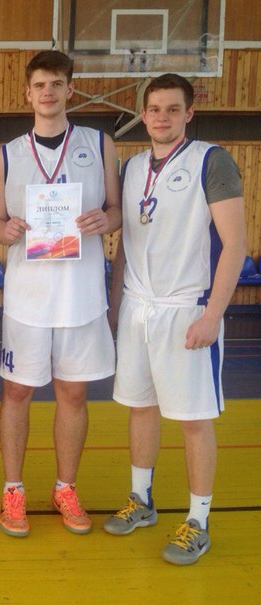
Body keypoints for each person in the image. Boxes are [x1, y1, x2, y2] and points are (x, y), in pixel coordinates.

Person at [104, 73, 246, 565]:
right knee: (140, 408)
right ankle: (141, 500)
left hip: (188, 309)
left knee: (192, 420)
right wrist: (115, 305)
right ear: (143, 115)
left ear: (189, 113)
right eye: (154, 109)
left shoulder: (211, 160)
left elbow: (236, 244)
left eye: (172, 109)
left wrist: (213, 315)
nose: (161, 117)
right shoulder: (131, 168)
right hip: (137, 307)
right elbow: (126, 243)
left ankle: (198, 521)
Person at [0, 50, 121, 537]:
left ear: (70, 89)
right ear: (28, 93)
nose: (48, 92)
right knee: (17, 391)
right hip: (27, 297)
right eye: (40, 85)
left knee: (73, 392)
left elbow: (116, 210)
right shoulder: (7, 153)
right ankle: (13, 490)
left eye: (57, 84)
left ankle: (65, 487)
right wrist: (5, 231)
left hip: (80, 294)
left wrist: (106, 219)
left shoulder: (99, 144)